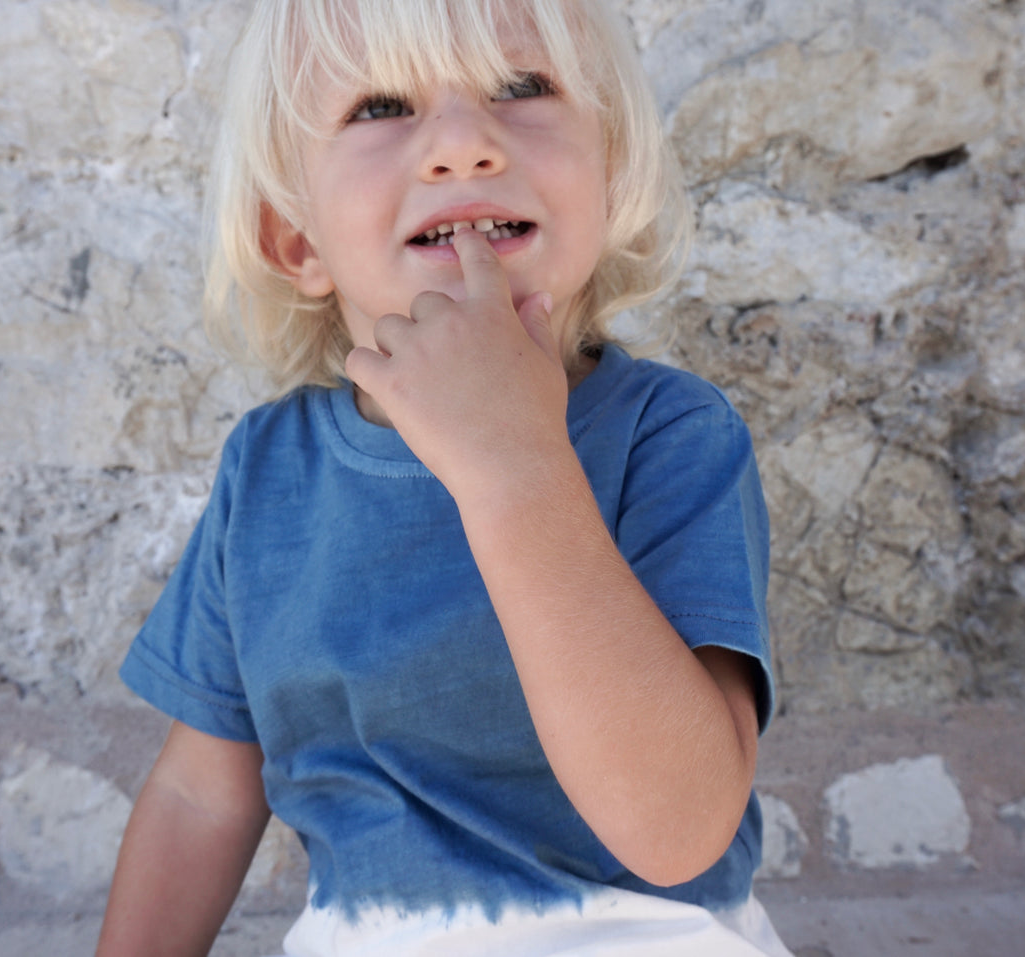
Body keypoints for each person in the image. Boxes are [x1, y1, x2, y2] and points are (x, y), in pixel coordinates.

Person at [96, 0, 791, 954]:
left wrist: (517, 463)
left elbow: (677, 830)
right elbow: (197, 789)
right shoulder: (267, 470)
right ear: (294, 241)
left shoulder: (668, 436)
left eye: (522, 89)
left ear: (610, 174)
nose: (464, 144)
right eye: (381, 107)